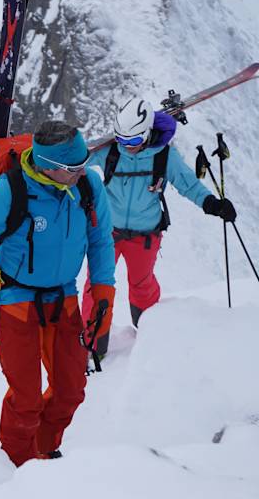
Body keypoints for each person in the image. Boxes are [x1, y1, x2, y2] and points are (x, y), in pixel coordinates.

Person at [0, 121, 116, 466]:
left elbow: (101, 239)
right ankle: (16, 466)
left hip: (64, 296)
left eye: (83, 163)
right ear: (49, 166)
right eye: (72, 168)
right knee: (26, 398)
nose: (82, 172)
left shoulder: (88, 186)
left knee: (71, 390)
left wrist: (103, 290)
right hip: (17, 299)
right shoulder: (9, 191)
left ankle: (43, 450)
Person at [81, 98, 237, 354]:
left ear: (146, 134)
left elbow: (188, 184)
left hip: (145, 234)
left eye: (132, 141)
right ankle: (93, 343)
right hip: (108, 232)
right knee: (97, 284)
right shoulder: (109, 151)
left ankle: (150, 333)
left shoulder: (165, 155)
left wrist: (212, 204)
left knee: (142, 285)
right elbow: (76, 163)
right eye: (121, 139)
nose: (125, 147)